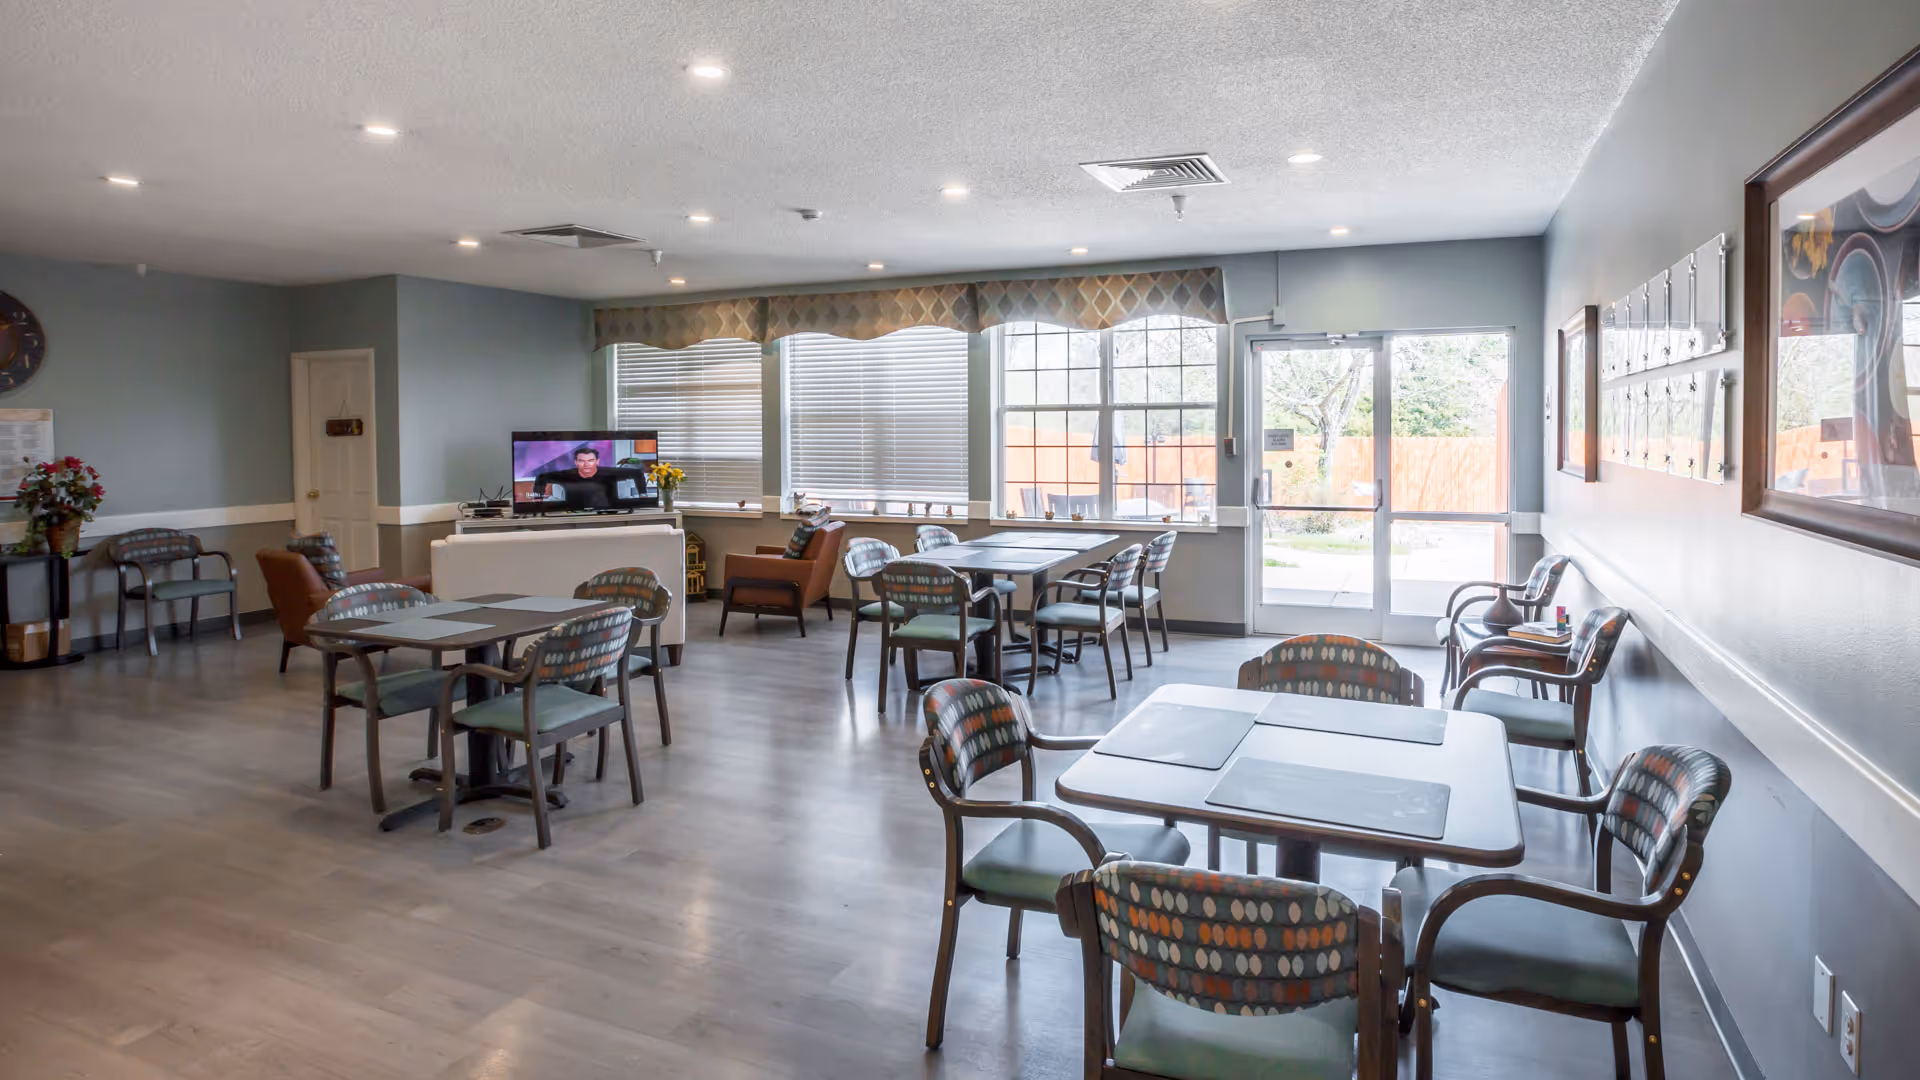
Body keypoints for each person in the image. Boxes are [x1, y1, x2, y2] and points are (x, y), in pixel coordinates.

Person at [530, 446, 650, 510]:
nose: (586, 464)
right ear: (576, 462)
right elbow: (541, 477)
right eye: (582, 461)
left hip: (608, 513)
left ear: (597, 461)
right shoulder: (567, 474)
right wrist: (538, 501)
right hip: (571, 514)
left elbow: (637, 474)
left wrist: (643, 497)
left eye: (590, 460)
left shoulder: (610, 473)